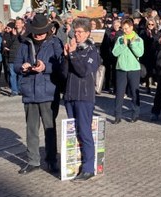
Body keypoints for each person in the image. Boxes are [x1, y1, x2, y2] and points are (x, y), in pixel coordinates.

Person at [17, 14, 63, 174]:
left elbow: (60, 64)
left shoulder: (55, 43)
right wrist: (22, 67)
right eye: (35, 33)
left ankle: (51, 160)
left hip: (48, 92)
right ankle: (33, 161)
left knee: (49, 128)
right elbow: (15, 64)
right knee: (31, 129)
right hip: (30, 91)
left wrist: (46, 68)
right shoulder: (24, 43)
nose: (38, 35)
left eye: (41, 33)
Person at [62, 18, 101, 181]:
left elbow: (83, 71)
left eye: (79, 32)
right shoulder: (74, 49)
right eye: (75, 32)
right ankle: (73, 164)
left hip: (84, 96)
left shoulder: (92, 51)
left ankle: (88, 167)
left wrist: (72, 55)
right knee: (72, 131)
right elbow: (64, 73)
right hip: (70, 94)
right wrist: (65, 57)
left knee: (84, 131)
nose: (76, 35)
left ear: (87, 33)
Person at [112, 18, 144, 123]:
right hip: (121, 68)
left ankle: (135, 114)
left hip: (133, 69)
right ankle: (117, 116)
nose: (124, 30)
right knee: (119, 93)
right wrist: (123, 45)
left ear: (131, 27)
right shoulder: (120, 39)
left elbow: (140, 53)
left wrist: (132, 44)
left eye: (126, 28)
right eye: (123, 28)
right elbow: (115, 53)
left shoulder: (138, 39)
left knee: (134, 93)